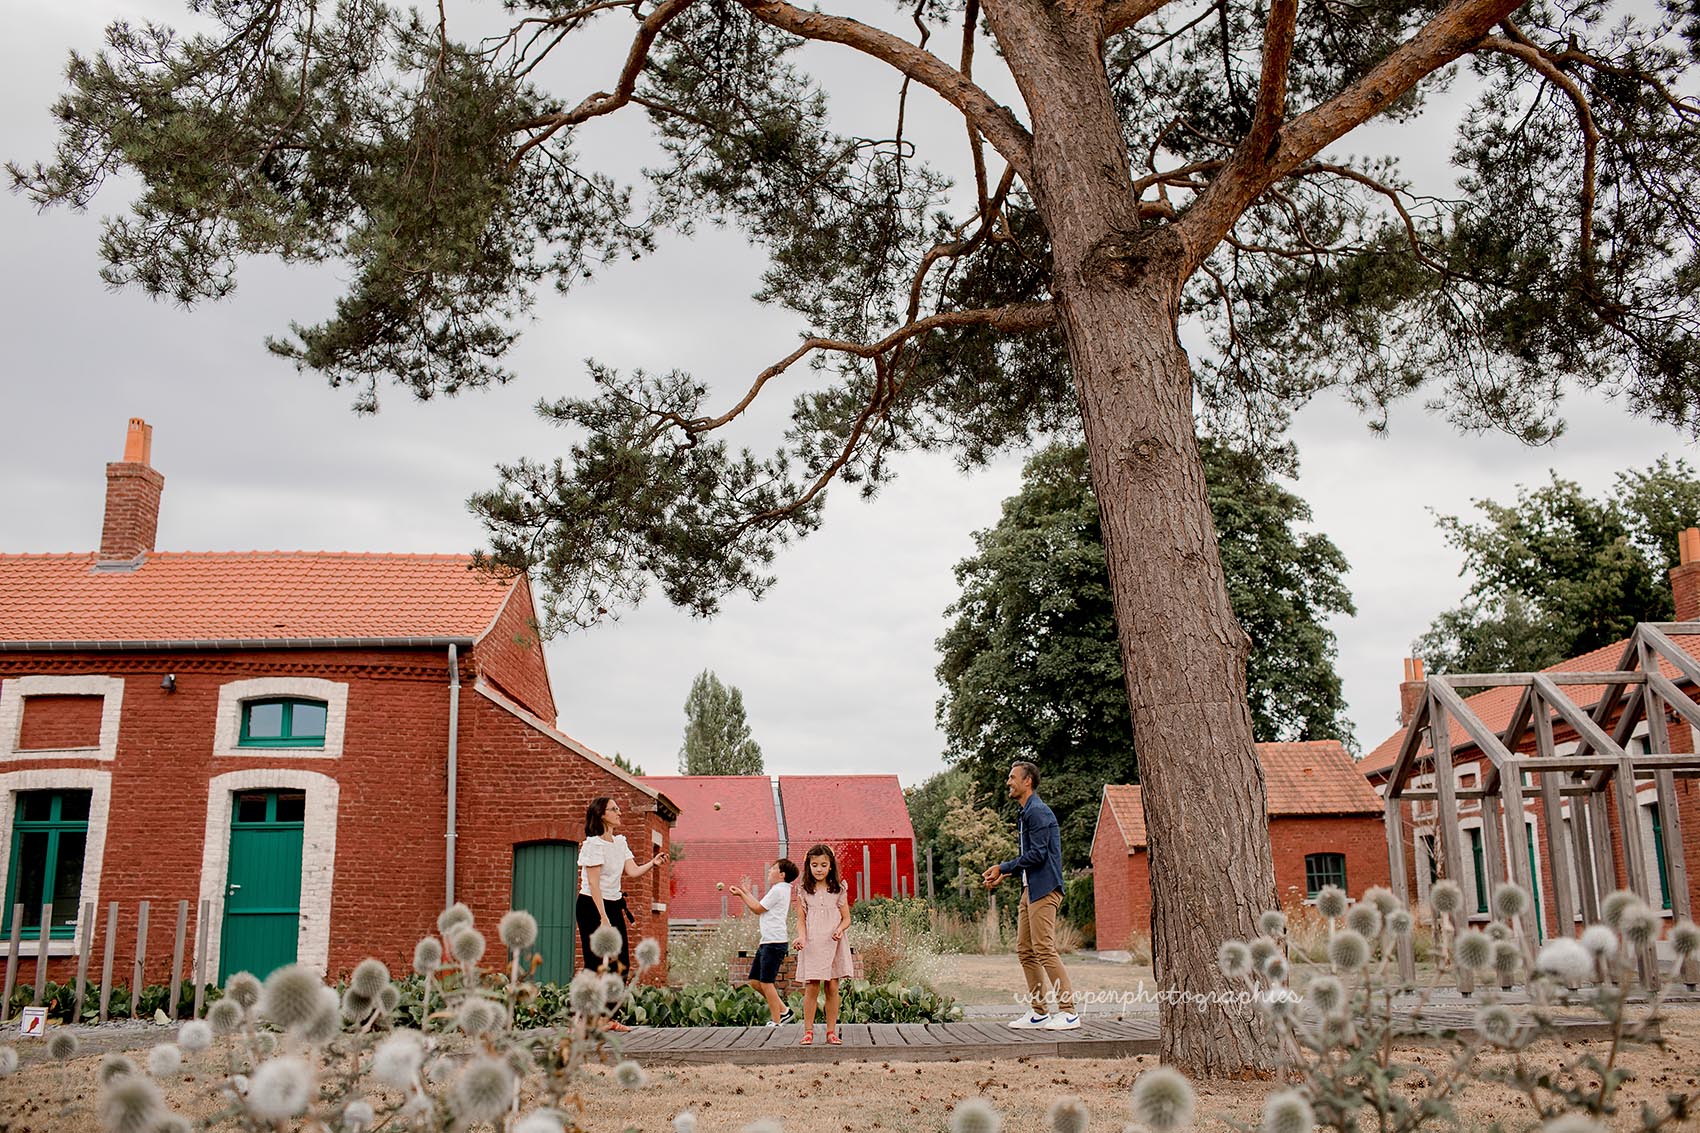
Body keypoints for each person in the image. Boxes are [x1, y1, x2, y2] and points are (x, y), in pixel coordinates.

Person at [982, 761, 1079, 1030]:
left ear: (1028, 782)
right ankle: (1039, 1013)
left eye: (1012, 778)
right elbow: (1031, 857)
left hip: (1045, 890)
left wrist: (1003, 866)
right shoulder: (1025, 814)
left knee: (1044, 949)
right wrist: (1007, 873)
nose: (1008, 782)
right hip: (1030, 889)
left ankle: (1068, 1011)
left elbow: (1038, 855)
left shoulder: (1037, 812)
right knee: (1025, 951)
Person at [578, 795, 667, 1030]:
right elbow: (594, 884)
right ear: (601, 815)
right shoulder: (593, 844)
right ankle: (581, 1019)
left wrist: (653, 863)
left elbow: (633, 871)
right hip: (591, 905)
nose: (619, 812)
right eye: (614, 809)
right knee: (595, 963)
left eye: (618, 808)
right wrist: (603, 918)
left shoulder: (620, 842)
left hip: (614, 904)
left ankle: (603, 1019)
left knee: (622, 964)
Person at [793, 843, 853, 1045]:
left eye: (823, 865)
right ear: (808, 866)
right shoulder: (804, 891)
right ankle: (808, 1031)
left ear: (830, 866)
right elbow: (801, 920)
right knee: (811, 986)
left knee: (832, 986)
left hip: (833, 942)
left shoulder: (838, 889)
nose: (819, 869)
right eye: (815, 865)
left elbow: (846, 918)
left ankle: (831, 1032)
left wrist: (840, 929)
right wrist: (801, 938)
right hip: (813, 943)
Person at [728, 858, 799, 1026]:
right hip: (767, 941)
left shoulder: (778, 890)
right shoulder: (781, 889)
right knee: (754, 981)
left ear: (782, 874)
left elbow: (757, 909)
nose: (769, 871)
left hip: (774, 942)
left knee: (767, 983)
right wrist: (745, 892)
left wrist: (741, 895)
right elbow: (761, 906)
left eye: (773, 869)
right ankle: (785, 1011)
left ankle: (776, 1021)